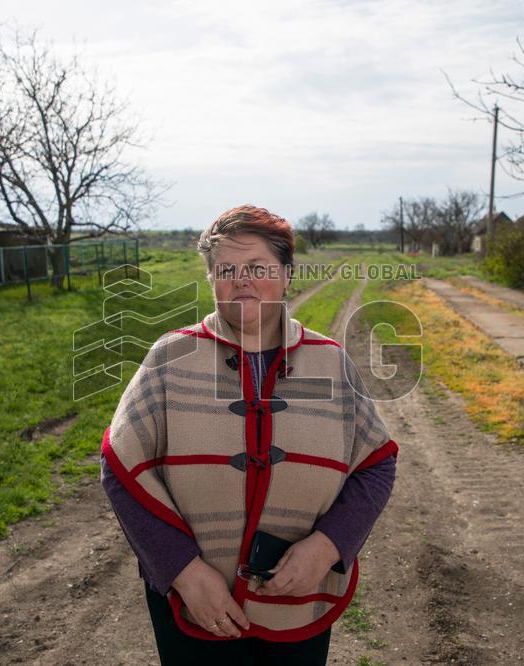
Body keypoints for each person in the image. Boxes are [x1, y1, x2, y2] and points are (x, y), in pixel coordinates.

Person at [101, 204, 397, 665]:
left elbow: (377, 463)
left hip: (300, 601)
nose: (241, 280)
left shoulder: (332, 363)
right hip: (195, 606)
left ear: (286, 274)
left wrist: (326, 548)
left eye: (257, 267)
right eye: (226, 269)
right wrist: (183, 572)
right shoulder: (169, 358)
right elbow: (121, 467)